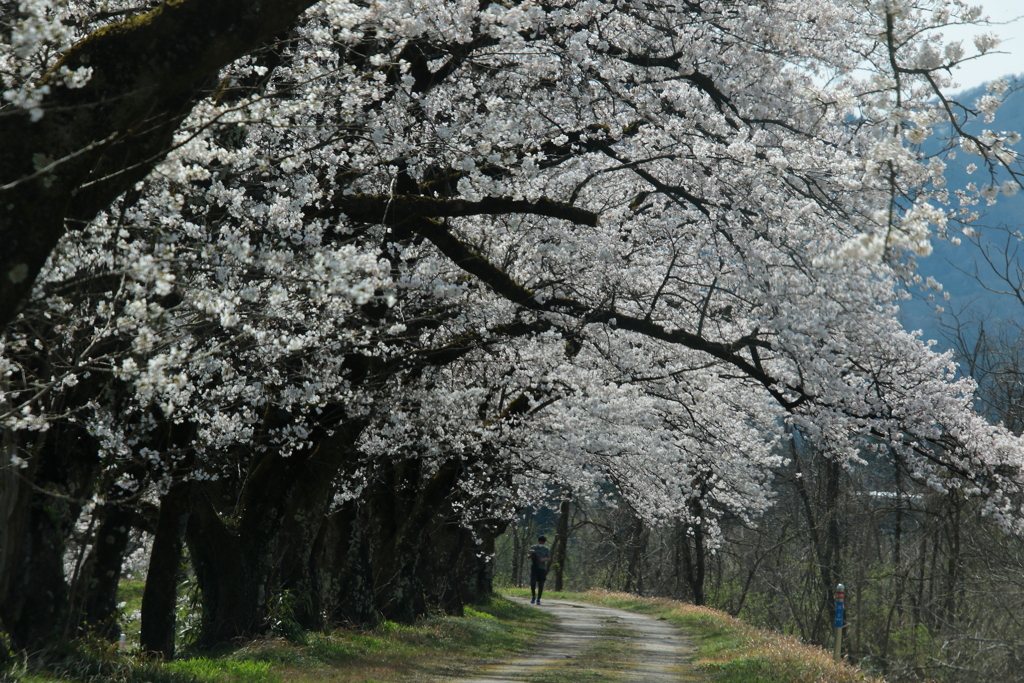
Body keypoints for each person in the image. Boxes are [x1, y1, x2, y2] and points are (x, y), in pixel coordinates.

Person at [528, 535, 552, 605]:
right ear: (537, 541)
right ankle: (533, 597)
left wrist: (543, 559)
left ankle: (538, 599)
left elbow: (549, 558)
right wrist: (531, 554)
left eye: (542, 543)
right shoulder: (533, 547)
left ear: (544, 543)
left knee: (541, 584)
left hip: (542, 568)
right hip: (534, 567)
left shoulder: (546, 549)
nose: (540, 544)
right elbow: (528, 557)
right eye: (539, 542)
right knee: (533, 582)